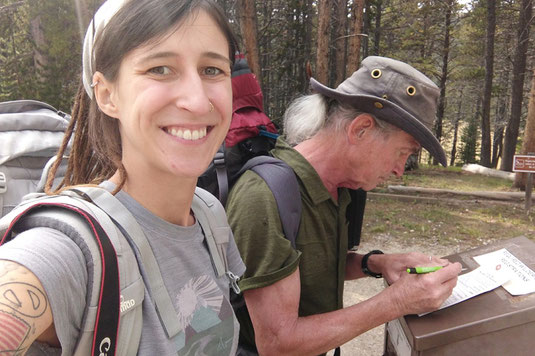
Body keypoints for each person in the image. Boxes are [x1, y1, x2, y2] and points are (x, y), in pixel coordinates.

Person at [0, 0, 245, 354]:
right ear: (106, 94)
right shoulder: (73, 250)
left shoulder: (209, 216)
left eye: (212, 70)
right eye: (160, 68)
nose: (197, 100)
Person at [226, 56, 463, 355]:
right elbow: (277, 343)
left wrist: (376, 263)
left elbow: (312, 266)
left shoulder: (338, 188)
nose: (399, 170)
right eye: (402, 152)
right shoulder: (263, 197)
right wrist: (396, 302)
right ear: (361, 129)